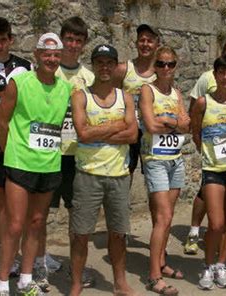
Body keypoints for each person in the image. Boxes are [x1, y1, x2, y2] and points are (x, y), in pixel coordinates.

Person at [0, 33, 72, 295]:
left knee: (36, 222)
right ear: (37, 55)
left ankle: (26, 279)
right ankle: (3, 282)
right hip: (19, 164)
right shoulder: (18, 82)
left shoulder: (66, 88)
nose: (51, 59)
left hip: (49, 165)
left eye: (56, 55)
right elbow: (2, 120)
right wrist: (11, 152)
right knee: (15, 224)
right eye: (46, 54)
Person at [69, 44, 137, 296]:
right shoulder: (81, 96)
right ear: (93, 65)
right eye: (99, 62)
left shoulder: (125, 97)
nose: (105, 67)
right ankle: (76, 284)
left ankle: (120, 283)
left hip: (118, 176)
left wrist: (98, 131)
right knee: (80, 234)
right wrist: (116, 124)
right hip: (88, 175)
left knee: (118, 234)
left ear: (116, 65)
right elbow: (82, 134)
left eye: (109, 62)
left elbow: (131, 134)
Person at [184, 38, 226, 255]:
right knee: (216, 223)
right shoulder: (204, 101)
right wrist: (206, 149)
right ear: (215, 74)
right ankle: (208, 262)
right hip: (213, 167)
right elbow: (195, 130)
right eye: (222, 72)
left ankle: (221, 265)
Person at [43, 16, 95, 289]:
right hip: (48, 155)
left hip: (78, 157)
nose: (73, 45)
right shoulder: (47, 70)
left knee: (78, 217)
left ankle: (78, 269)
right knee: (38, 215)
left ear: (84, 44)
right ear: (61, 39)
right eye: (69, 39)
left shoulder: (89, 77)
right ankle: (38, 261)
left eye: (78, 40)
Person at [139, 46, 190, 295]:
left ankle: (161, 262)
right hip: (155, 159)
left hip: (176, 159)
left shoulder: (177, 93)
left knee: (168, 218)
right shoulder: (148, 90)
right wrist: (174, 123)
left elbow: (187, 124)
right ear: (155, 66)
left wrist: (169, 123)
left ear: (176, 66)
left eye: (170, 64)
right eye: (161, 64)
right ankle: (153, 276)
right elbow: (150, 125)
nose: (166, 69)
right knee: (163, 218)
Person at [0, 16, 32, 266]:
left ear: (10, 40)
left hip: (16, 145)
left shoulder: (25, 67)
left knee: (13, 206)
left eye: (2, 40)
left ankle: (10, 257)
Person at [114, 24, 160, 176]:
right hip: (129, 129)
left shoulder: (161, 72)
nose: (145, 44)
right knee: (126, 172)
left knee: (154, 175)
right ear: (136, 43)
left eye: (149, 41)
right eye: (142, 40)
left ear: (157, 44)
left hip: (151, 131)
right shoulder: (123, 69)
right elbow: (112, 98)